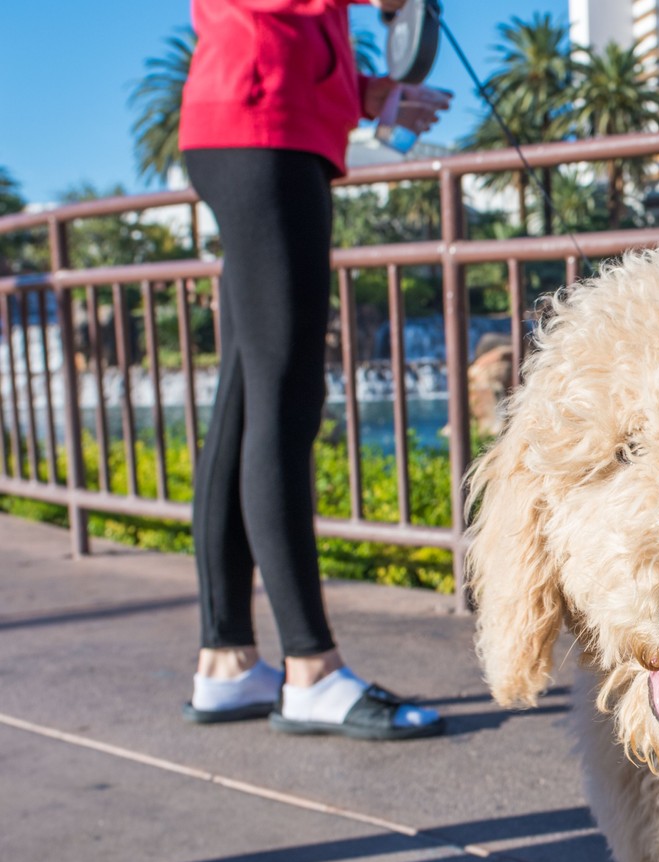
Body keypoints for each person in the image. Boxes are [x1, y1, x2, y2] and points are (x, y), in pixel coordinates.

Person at [177, 0, 451, 739]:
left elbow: (292, 29)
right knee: (285, 398)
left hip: (258, 120)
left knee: (246, 398)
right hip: (264, 130)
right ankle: (311, 670)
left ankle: (226, 661)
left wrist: (370, 94)